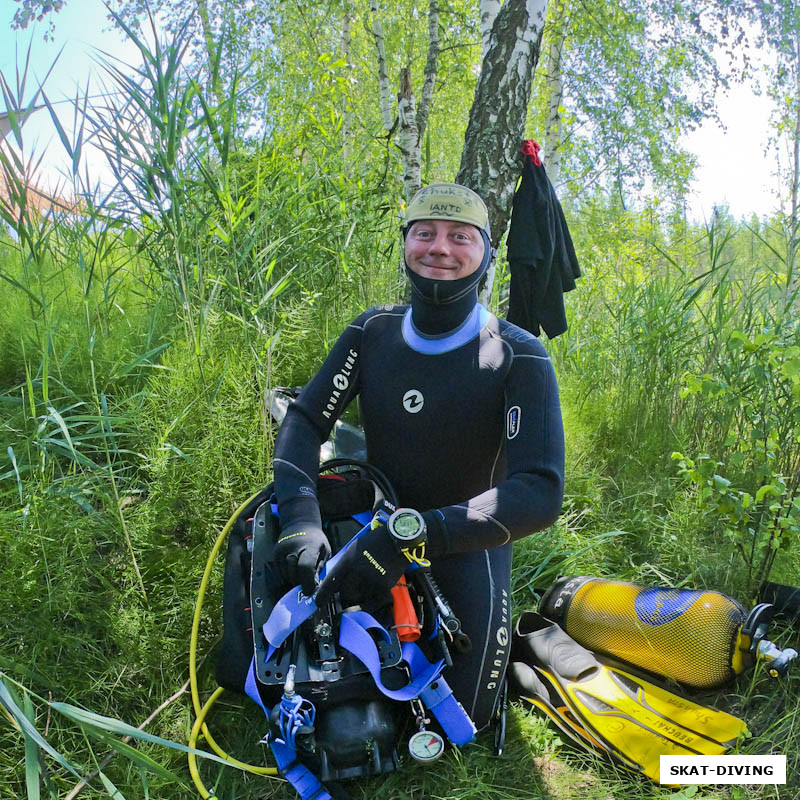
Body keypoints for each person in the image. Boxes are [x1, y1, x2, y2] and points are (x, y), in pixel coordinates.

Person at [272, 182, 565, 732]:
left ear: (486, 254)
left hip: (466, 540)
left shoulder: (518, 353)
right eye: (424, 233)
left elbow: (539, 491)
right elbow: (305, 421)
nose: (440, 248)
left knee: (462, 718)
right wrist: (301, 520)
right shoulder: (372, 332)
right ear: (405, 243)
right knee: (315, 668)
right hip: (372, 525)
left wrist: (415, 537)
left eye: (461, 237)